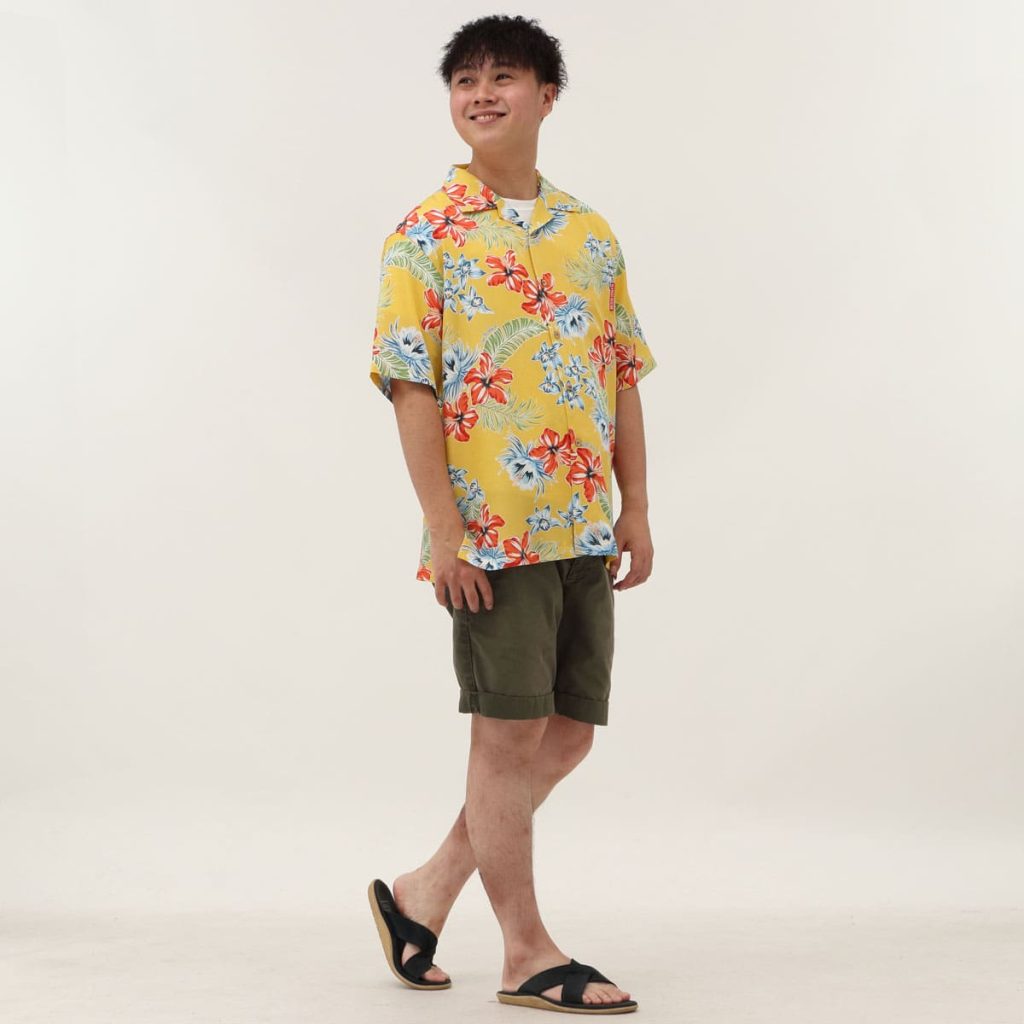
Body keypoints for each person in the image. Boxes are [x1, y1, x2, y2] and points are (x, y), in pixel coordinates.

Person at [366, 14, 656, 1015]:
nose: (482, 93)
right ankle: (526, 953)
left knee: (566, 733)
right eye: (466, 79)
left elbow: (620, 372)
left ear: (547, 95)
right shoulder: (426, 234)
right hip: (493, 533)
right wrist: (445, 533)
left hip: (583, 525)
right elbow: (411, 387)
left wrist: (636, 503)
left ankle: (423, 893)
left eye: (504, 76)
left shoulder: (589, 233)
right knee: (506, 737)